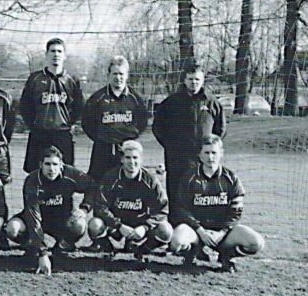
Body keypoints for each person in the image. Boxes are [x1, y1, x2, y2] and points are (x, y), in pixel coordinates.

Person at [170, 135, 265, 272]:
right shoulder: (189, 177)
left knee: (256, 243)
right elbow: (182, 209)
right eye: (206, 153)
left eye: (214, 152)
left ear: (221, 153)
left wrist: (222, 232)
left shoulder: (231, 178)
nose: (210, 157)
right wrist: (200, 230)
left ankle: (226, 255)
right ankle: (192, 253)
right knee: (176, 241)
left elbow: (236, 212)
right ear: (200, 155)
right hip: (197, 232)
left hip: (223, 233)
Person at [5, 146, 94, 275]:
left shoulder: (70, 174)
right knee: (12, 228)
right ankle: (31, 247)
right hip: (36, 218)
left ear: (61, 164)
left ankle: (62, 248)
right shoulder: (32, 180)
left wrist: (84, 208)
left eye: (55, 164)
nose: (51, 169)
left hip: (61, 220)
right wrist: (42, 253)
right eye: (47, 164)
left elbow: (93, 187)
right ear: (41, 164)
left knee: (79, 224)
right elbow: (33, 216)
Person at [153, 63, 226, 220]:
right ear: (185, 80)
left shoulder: (211, 102)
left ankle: (202, 228)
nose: (194, 82)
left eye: (197, 79)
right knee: (177, 195)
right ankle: (175, 227)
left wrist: (210, 149)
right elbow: (158, 127)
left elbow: (220, 130)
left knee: (202, 195)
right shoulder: (171, 102)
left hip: (203, 160)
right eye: (191, 79)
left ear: (203, 80)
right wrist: (172, 146)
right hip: (177, 159)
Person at [88, 140, 172, 260]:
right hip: (116, 225)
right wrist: (118, 225)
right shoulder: (110, 177)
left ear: (141, 159)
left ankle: (141, 250)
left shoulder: (150, 180)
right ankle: (108, 249)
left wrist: (145, 227)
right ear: (121, 159)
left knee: (166, 230)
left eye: (135, 157)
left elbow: (162, 209)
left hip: (140, 224)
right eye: (128, 157)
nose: (131, 162)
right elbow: (100, 206)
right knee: (94, 224)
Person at [20, 38, 84, 173]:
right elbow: (25, 106)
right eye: (53, 51)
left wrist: (69, 123)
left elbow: (79, 106)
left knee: (65, 173)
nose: (56, 54)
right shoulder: (35, 79)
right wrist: (33, 125)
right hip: (39, 133)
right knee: (35, 173)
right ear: (46, 54)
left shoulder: (72, 80)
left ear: (64, 55)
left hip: (62, 134)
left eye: (59, 51)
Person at [81, 56, 148, 184]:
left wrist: (129, 138)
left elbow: (142, 122)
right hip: (102, 149)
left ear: (127, 75)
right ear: (109, 75)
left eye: (121, 74)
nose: (118, 77)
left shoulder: (135, 99)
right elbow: (87, 123)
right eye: (115, 73)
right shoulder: (97, 98)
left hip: (126, 150)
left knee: (126, 184)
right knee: (98, 184)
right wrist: (102, 138)